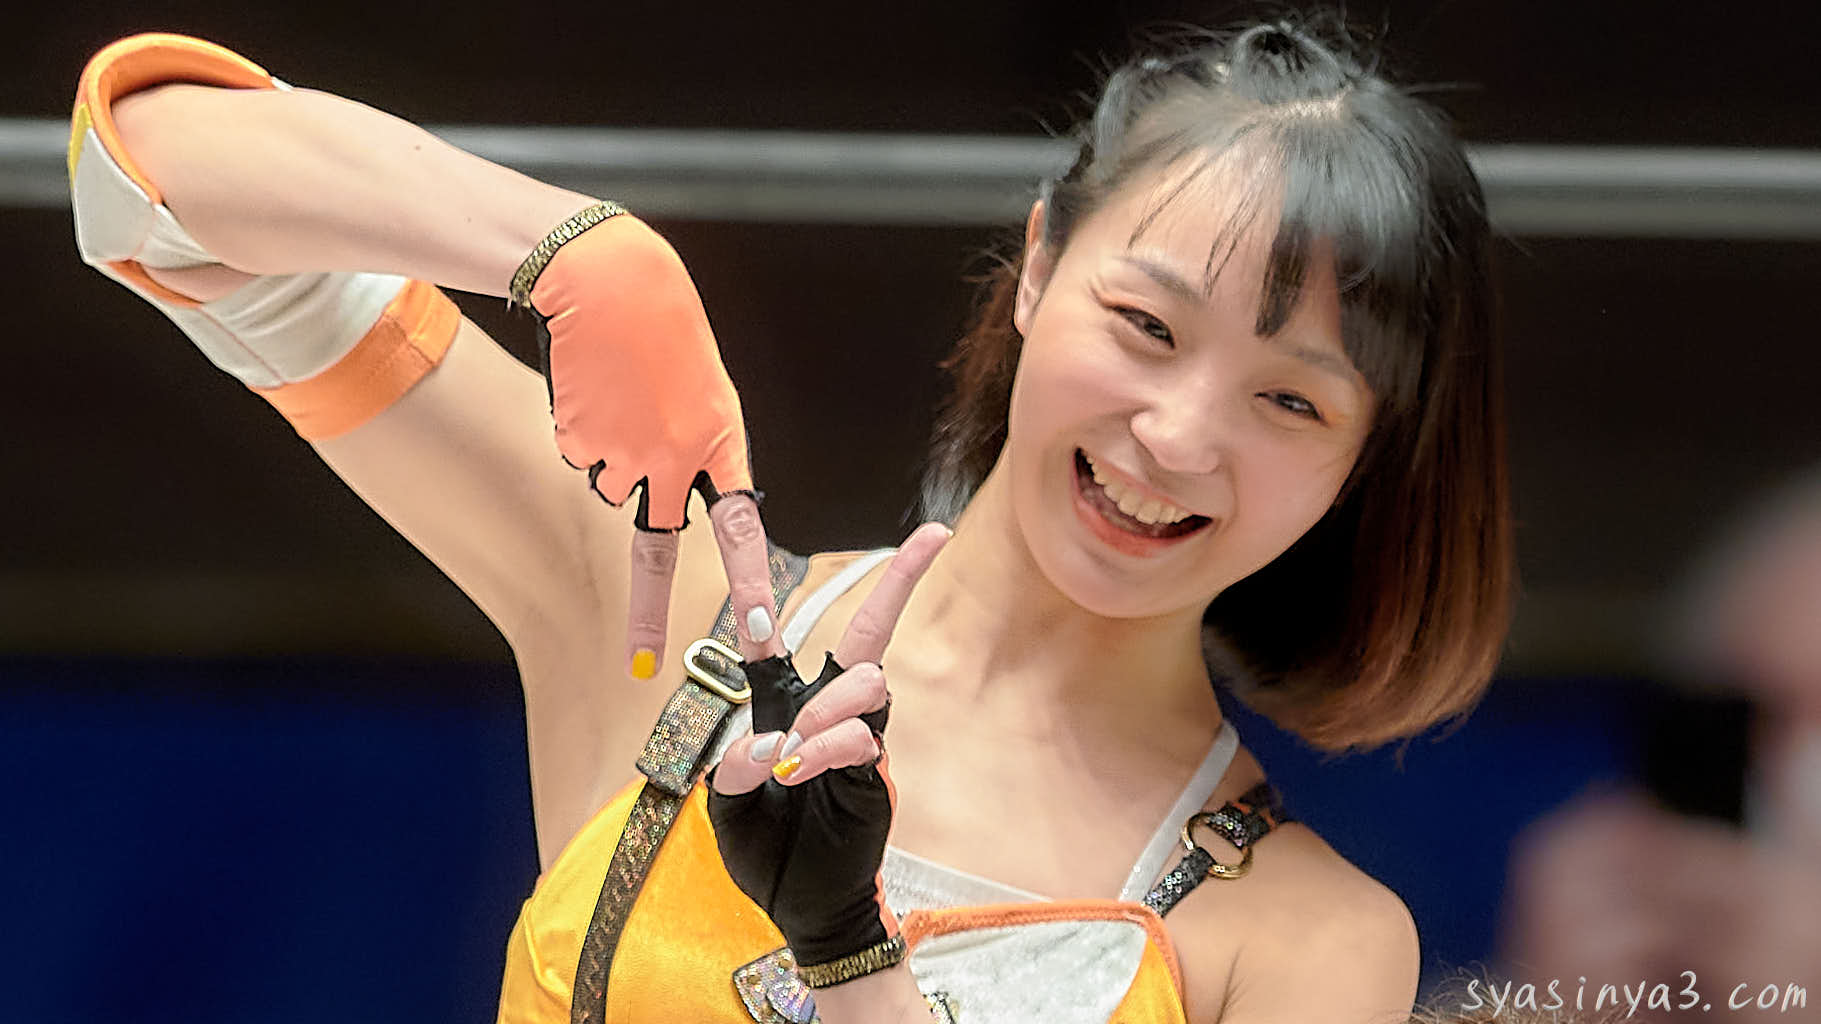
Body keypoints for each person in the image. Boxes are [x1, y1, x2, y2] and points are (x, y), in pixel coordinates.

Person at [68, 12, 1512, 1023]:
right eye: (1147, 325)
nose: (1180, 435)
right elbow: (142, 180)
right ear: (1037, 265)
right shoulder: (667, 601)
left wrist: (847, 952)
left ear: (1366, 461)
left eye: (1290, 400)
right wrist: (579, 252)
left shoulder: (1311, 944)